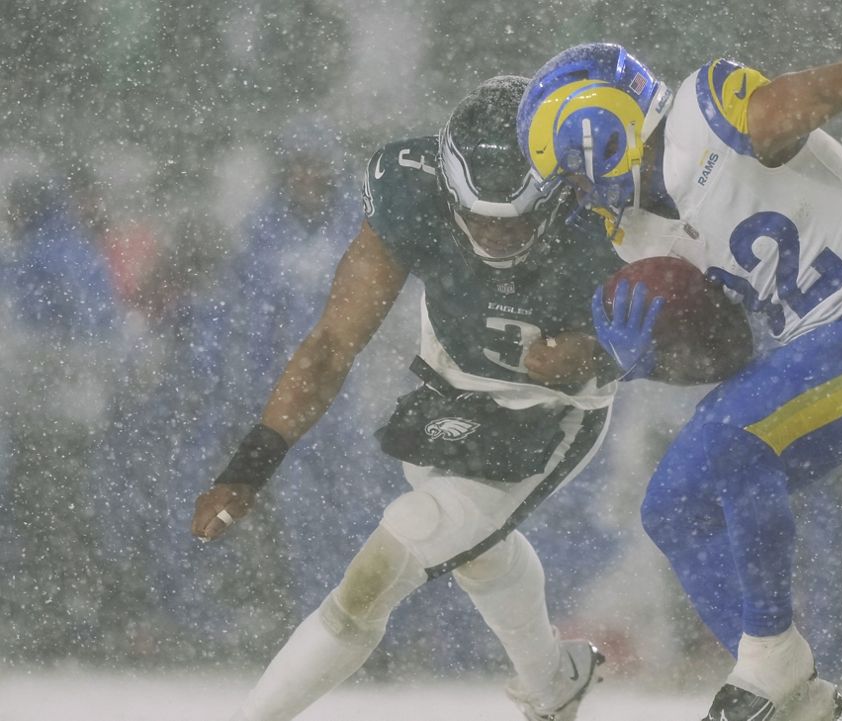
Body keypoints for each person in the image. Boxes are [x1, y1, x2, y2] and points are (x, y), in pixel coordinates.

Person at [517, 43, 842, 721]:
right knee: (673, 503)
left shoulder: (704, 116)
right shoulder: (640, 233)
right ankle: (795, 698)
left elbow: (815, 86)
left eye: (569, 178)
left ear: (597, 134)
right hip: (820, 353)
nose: (574, 198)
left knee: (732, 440)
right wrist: (644, 358)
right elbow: (727, 354)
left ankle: (771, 669)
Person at [189, 76, 625, 721]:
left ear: (560, 189)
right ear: (447, 187)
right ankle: (552, 681)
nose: (494, 235)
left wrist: (597, 345)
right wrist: (250, 466)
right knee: (476, 552)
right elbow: (332, 346)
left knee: (389, 562)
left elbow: (693, 341)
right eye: (476, 216)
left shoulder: (612, 208)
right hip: (447, 385)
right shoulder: (409, 187)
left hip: (554, 410)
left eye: (515, 219)